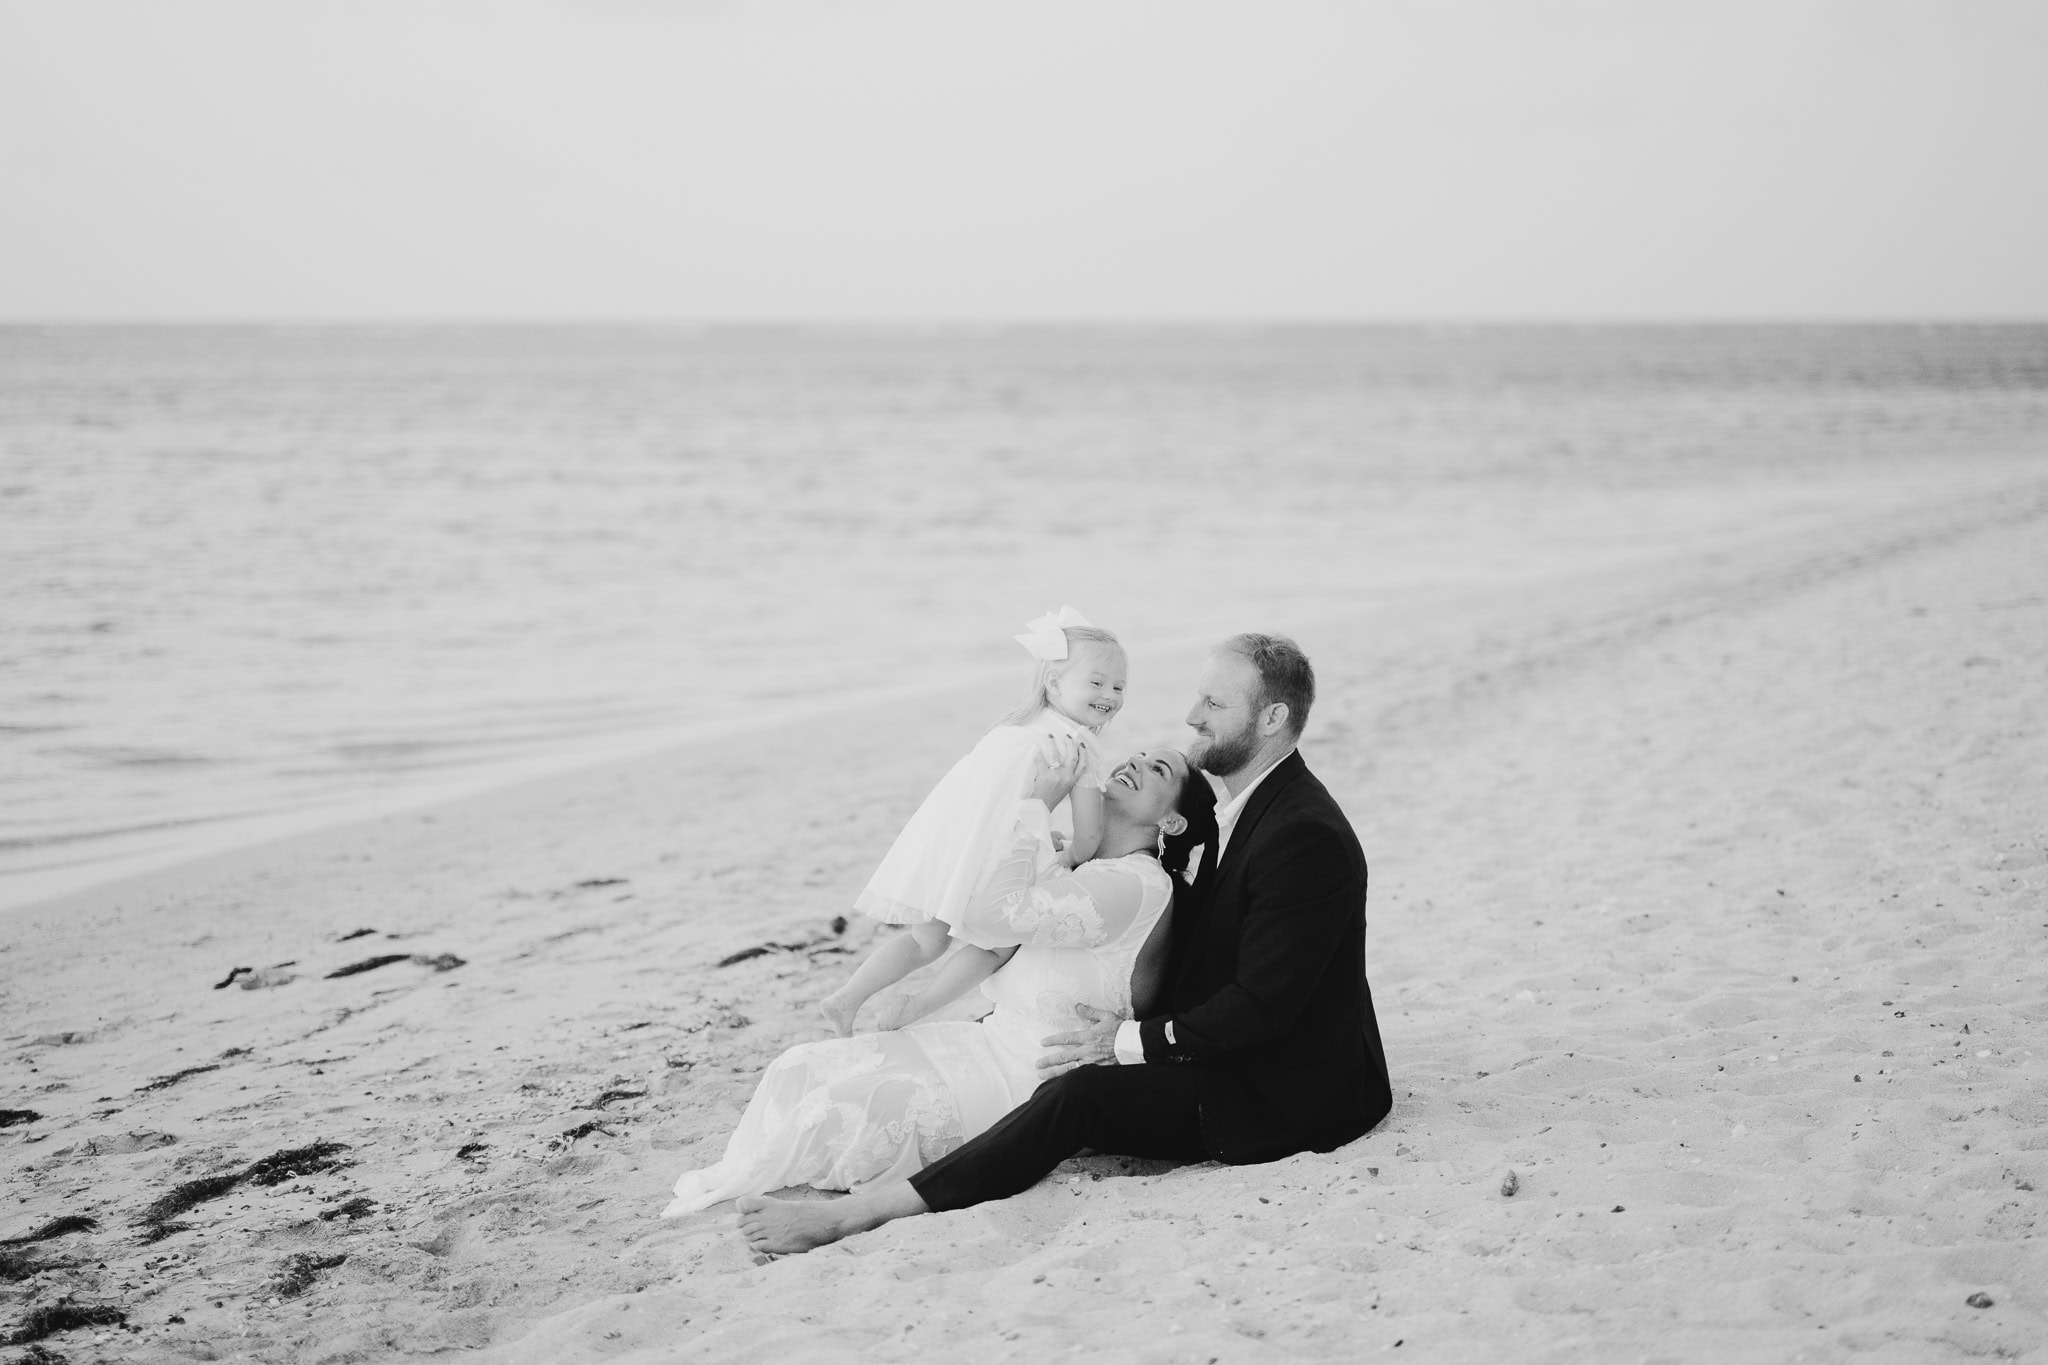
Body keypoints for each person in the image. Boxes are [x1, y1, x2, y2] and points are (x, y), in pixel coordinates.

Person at [732, 632, 1393, 1255]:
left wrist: (1126, 1042)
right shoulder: (1237, 813)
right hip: (1225, 1045)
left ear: (1273, 716)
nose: (1192, 715)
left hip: (1286, 1094)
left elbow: (1263, 1008)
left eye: (1215, 703)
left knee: (1076, 1097)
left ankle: (860, 1212)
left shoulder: (1304, 834)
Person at [662, 747, 1215, 1215]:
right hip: (984, 1042)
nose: (1136, 762)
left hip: (1028, 1084)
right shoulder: (1084, 867)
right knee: (797, 1067)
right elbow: (992, 946)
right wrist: (917, 1004)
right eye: (1138, 754)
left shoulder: (1135, 886)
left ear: (1170, 822)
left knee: (836, 1113)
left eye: (1159, 770)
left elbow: (1000, 913)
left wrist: (1036, 805)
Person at [817, 606, 1127, 1036]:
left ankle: (846, 998)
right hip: (999, 848)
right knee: (998, 944)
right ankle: (916, 1006)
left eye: (1118, 686)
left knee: (925, 940)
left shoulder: (1011, 726)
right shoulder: (1080, 745)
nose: (1109, 694)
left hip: (948, 841)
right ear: (1054, 682)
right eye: (1097, 682)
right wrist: (1071, 855)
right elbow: (1090, 834)